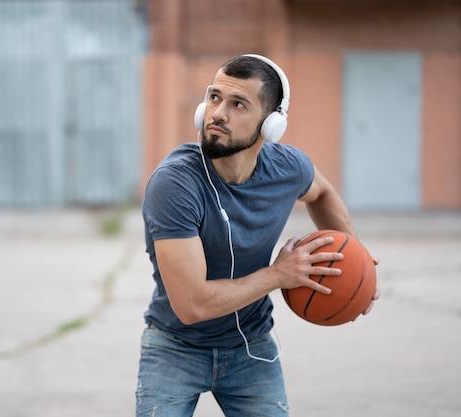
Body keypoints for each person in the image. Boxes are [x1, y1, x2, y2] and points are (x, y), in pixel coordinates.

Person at [135, 54, 380, 417]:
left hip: (251, 346)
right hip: (175, 348)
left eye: (238, 104)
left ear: (271, 125)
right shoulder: (175, 184)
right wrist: (279, 274)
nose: (218, 113)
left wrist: (356, 260)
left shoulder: (287, 167)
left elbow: (322, 193)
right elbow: (191, 305)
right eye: (215, 98)